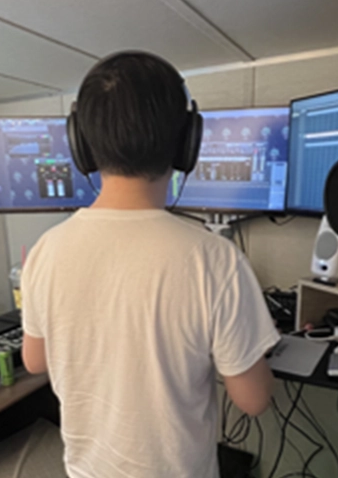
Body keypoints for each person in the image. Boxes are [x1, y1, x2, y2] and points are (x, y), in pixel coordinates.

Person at [21, 52, 280, 478]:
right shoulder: (214, 258)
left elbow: (35, 362)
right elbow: (253, 401)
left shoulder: (45, 250)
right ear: (187, 143)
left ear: (81, 144)